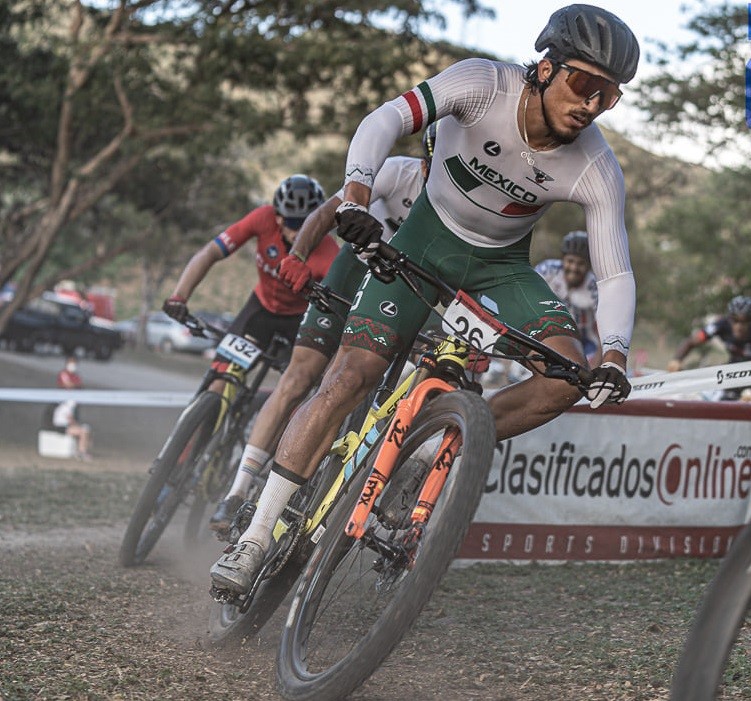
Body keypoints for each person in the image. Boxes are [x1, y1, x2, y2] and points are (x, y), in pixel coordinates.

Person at [210, 3, 639, 593]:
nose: (591, 104)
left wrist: (614, 354)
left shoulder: (596, 164)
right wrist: (358, 196)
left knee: (568, 377)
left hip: (500, 269)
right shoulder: (483, 83)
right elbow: (386, 120)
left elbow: (614, 270)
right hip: (422, 243)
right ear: (546, 66)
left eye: (609, 96)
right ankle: (254, 537)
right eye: (584, 82)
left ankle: (428, 443)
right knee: (348, 377)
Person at [208, 128, 437, 535]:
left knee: (354, 384)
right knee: (298, 378)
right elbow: (327, 212)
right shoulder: (396, 173)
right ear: (424, 163)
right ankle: (238, 490)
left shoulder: (467, 203)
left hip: (401, 286)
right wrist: (297, 255)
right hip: (354, 269)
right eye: (435, 168)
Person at [162, 175, 339, 389]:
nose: (300, 231)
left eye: (308, 223)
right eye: (294, 223)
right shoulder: (262, 218)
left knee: (294, 389)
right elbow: (210, 253)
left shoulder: (329, 252)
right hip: (260, 310)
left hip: (298, 321)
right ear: (279, 218)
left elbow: (339, 305)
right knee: (220, 381)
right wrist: (179, 297)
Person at [535, 230, 601, 366]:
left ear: (588, 266)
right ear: (562, 259)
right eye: (570, 261)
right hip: (545, 336)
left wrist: (595, 368)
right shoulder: (547, 271)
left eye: (581, 263)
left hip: (583, 344)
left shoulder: (594, 287)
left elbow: (603, 330)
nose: (574, 267)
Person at [667, 295, 751, 400]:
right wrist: (677, 360)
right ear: (729, 319)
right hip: (731, 373)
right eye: (735, 320)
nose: (739, 326)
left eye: (745, 321)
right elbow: (691, 341)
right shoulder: (721, 325)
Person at [51, 356, 92, 460]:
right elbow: (67, 418)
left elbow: (79, 385)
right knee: (83, 431)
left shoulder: (76, 378)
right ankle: (81, 452)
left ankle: (81, 450)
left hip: (66, 424)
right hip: (61, 426)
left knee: (85, 430)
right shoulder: (67, 402)